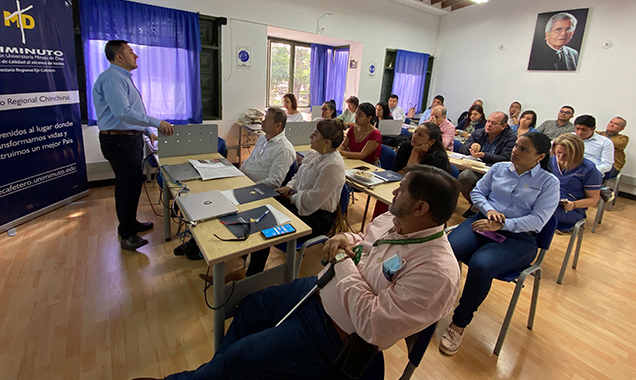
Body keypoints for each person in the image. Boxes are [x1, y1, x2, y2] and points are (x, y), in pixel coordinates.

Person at [153, 165, 461, 380]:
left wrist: (342, 262)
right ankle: (219, 373)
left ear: (420, 208)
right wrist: (345, 239)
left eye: (401, 191)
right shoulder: (393, 223)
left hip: (338, 334)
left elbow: (373, 327)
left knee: (239, 359)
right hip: (319, 290)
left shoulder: (436, 271)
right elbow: (365, 243)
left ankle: (211, 373)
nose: (393, 194)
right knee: (247, 310)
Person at [440, 132, 560, 355]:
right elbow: (477, 193)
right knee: (447, 249)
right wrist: (490, 211)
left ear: (540, 156)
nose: (515, 151)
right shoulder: (499, 168)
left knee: (481, 265)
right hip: (484, 221)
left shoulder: (548, 182)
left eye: (524, 149)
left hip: (520, 237)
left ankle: (459, 324)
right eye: (516, 146)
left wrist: (503, 225)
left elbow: (538, 219)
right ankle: (433, 301)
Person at [93, 40, 174, 251]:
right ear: (119, 56)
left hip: (127, 138)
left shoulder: (122, 78)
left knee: (128, 185)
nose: (135, 56)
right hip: (119, 141)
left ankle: (130, 224)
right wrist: (157, 122)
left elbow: (130, 113)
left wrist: (148, 132)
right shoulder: (112, 78)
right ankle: (127, 234)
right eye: (131, 52)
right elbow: (122, 112)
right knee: (129, 186)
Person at [243, 119, 348, 276]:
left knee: (266, 226)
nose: (310, 136)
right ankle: (241, 263)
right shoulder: (314, 154)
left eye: (315, 134)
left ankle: (252, 276)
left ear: (326, 141)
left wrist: (291, 196)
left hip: (316, 216)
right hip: (299, 203)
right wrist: (289, 187)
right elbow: (297, 176)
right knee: (262, 210)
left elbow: (313, 200)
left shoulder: (333, 166)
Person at [458, 112, 518, 217]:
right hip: (477, 169)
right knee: (464, 176)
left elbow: (505, 158)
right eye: (488, 121)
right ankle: (476, 205)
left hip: (498, 173)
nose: (489, 125)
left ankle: (483, 208)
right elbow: (461, 149)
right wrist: (471, 146)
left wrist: (484, 155)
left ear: (503, 126)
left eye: (494, 123)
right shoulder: (479, 133)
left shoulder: (511, 138)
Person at [550, 134, 601, 232]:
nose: (560, 157)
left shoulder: (588, 169)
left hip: (570, 208)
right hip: (548, 199)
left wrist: (574, 204)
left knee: (541, 211)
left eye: (566, 155)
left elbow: (593, 199)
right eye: (558, 152)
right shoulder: (550, 160)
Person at [240, 108, 296, 188]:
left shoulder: (284, 149)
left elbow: (273, 182)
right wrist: (239, 175)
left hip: (257, 189)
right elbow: (249, 160)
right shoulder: (262, 138)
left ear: (278, 125)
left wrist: (250, 186)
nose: (262, 122)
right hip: (245, 182)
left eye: (267, 120)